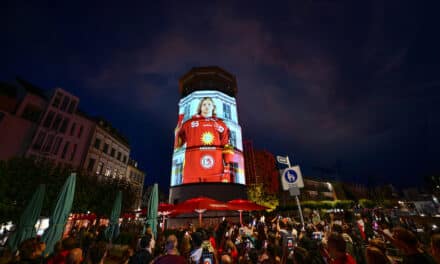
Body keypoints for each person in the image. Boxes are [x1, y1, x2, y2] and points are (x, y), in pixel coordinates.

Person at [175, 97, 231, 184]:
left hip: (215, 172)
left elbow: (226, 145)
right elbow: (178, 145)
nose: (206, 106)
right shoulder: (188, 124)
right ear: (200, 107)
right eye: (204, 104)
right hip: (192, 173)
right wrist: (176, 133)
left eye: (209, 104)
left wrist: (227, 165)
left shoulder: (221, 124)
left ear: (213, 107)